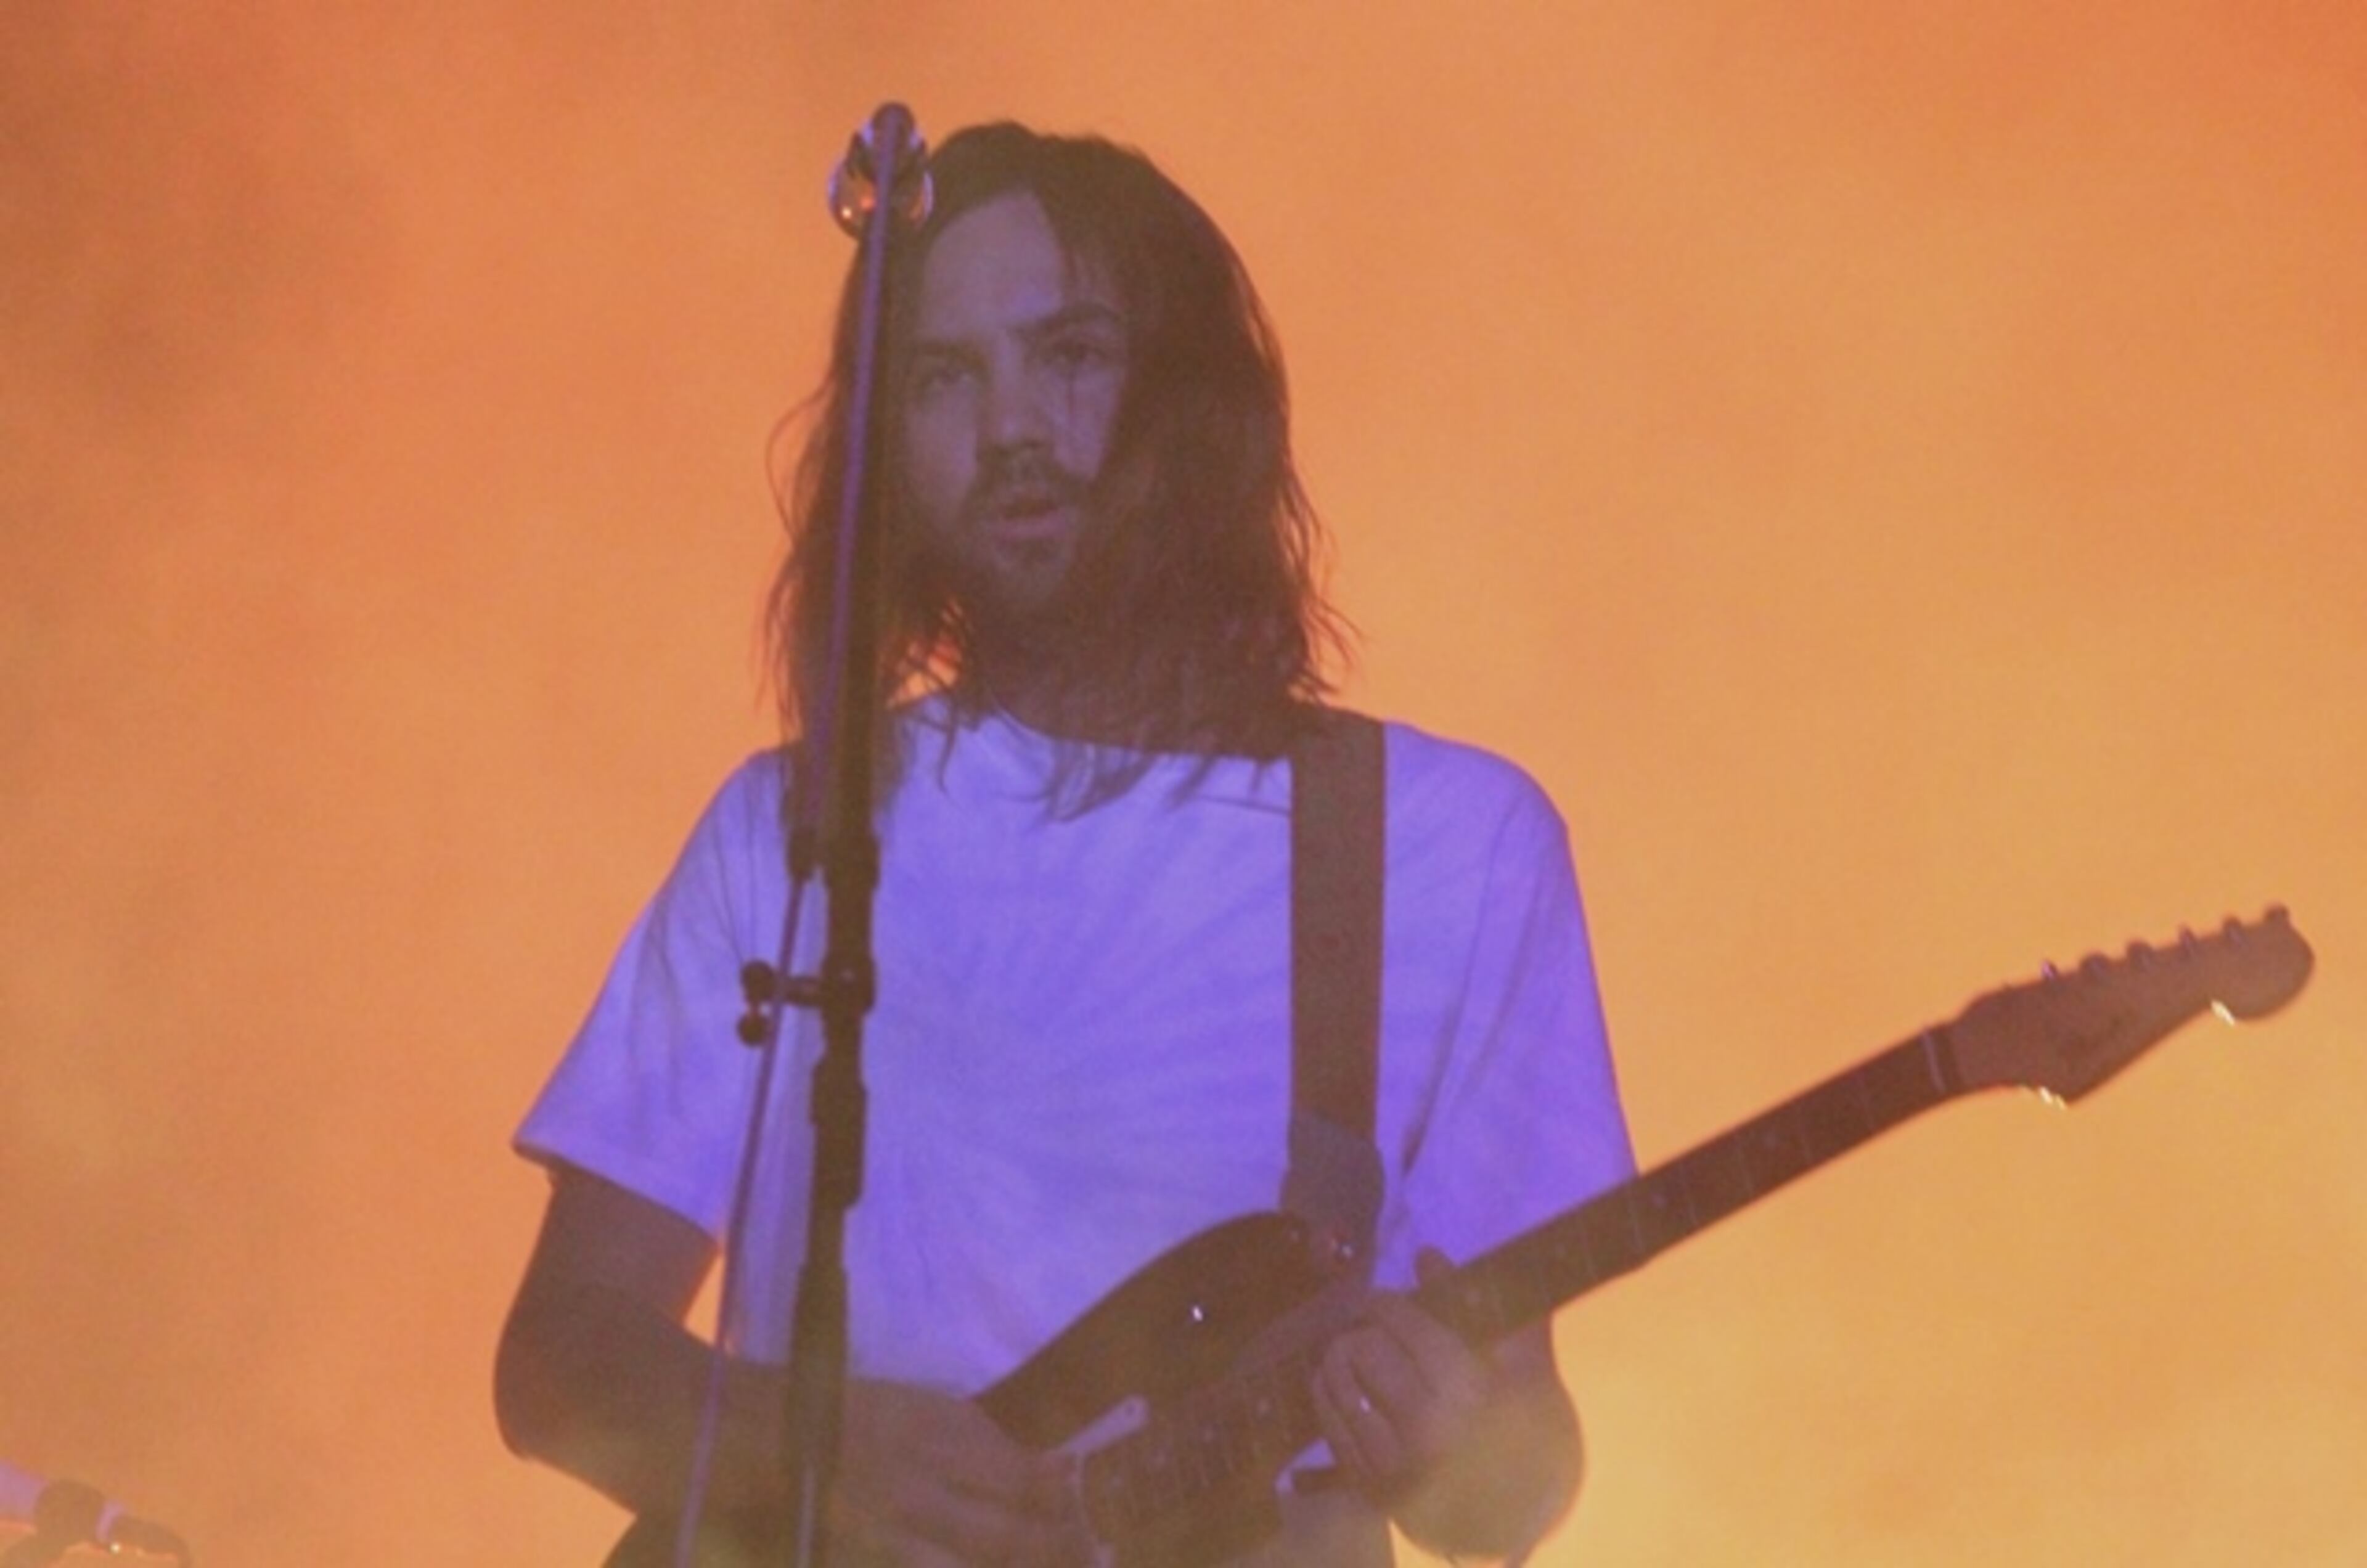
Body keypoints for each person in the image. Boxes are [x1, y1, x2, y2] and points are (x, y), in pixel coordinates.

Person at [496, 121, 1635, 1567]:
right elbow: (559, 1362)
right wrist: (814, 1446)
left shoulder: (1449, 850)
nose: (1011, 426)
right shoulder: (795, 834)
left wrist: (1451, 1443)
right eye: (943, 379)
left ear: (1192, 404)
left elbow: (1510, 1488)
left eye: (1072, 356)